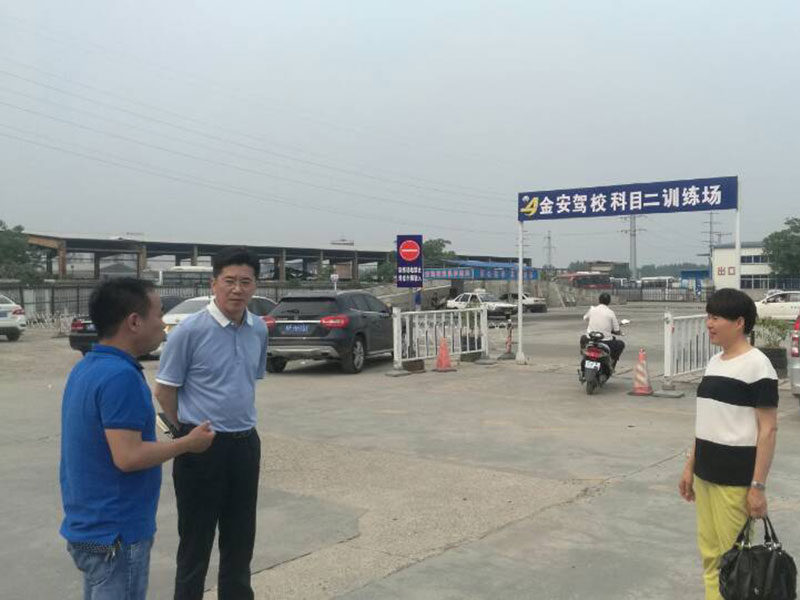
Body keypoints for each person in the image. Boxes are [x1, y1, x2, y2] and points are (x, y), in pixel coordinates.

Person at [60, 278, 215, 600]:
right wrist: (188, 443)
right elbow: (128, 457)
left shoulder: (88, 367)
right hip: (115, 534)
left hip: (89, 526)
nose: (162, 323)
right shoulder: (121, 377)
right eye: (158, 314)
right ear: (134, 321)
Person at [156, 247, 268, 600]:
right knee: (196, 541)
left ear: (255, 285)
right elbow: (164, 390)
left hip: (245, 444)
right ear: (213, 283)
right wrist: (185, 433)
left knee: (240, 538)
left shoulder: (258, 329)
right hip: (201, 448)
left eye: (245, 282)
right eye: (229, 281)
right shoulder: (189, 331)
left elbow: (249, 380)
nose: (237, 289)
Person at [678, 288, 779, 600]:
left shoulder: (758, 366)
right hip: (705, 476)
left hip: (735, 482)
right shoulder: (714, 362)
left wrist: (757, 486)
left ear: (739, 322)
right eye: (708, 316)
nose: (709, 323)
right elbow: (708, 421)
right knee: (710, 556)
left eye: (716, 317)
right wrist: (690, 466)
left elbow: (768, 430)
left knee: (734, 563)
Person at [581, 292, 625, 365]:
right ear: (609, 302)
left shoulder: (592, 309)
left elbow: (585, 318)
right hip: (606, 342)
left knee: (583, 338)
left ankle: (584, 356)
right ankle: (612, 361)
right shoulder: (610, 313)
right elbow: (616, 330)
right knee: (621, 344)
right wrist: (620, 333)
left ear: (599, 300)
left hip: (590, 340)